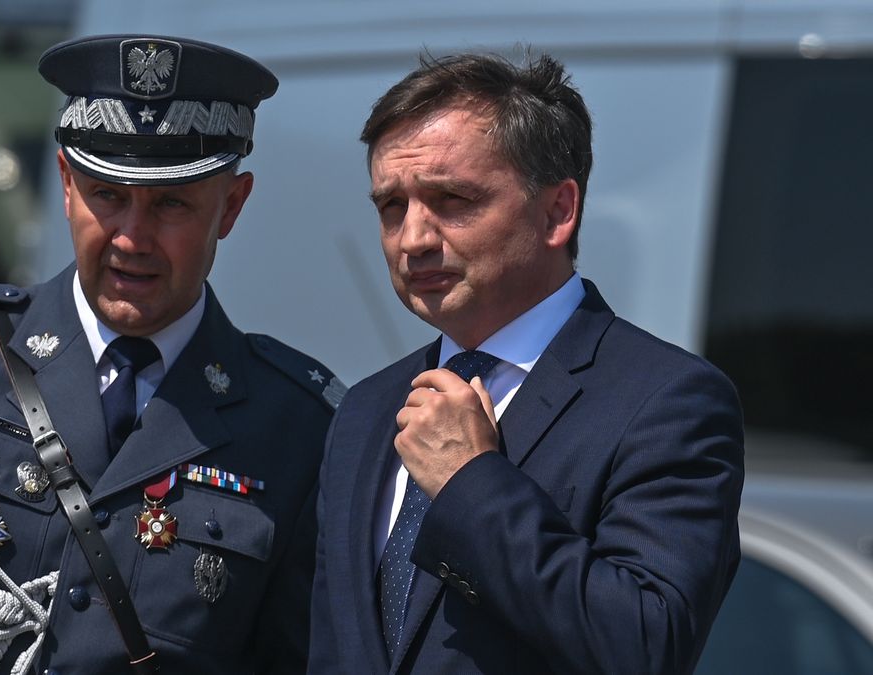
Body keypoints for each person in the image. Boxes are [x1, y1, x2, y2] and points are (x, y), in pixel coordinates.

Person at [0, 34, 341, 675]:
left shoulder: (294, 424)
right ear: (67, 184)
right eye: (108, 194)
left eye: (171, 204)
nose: (132, 237)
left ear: (231, 206)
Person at [308, 52, 744, 674]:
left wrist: (470, 483)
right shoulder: (367, 408)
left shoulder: (668, 401)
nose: (413, 239)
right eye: (391, 208)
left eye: (451, 198)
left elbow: (647, 643)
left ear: (557, 212)